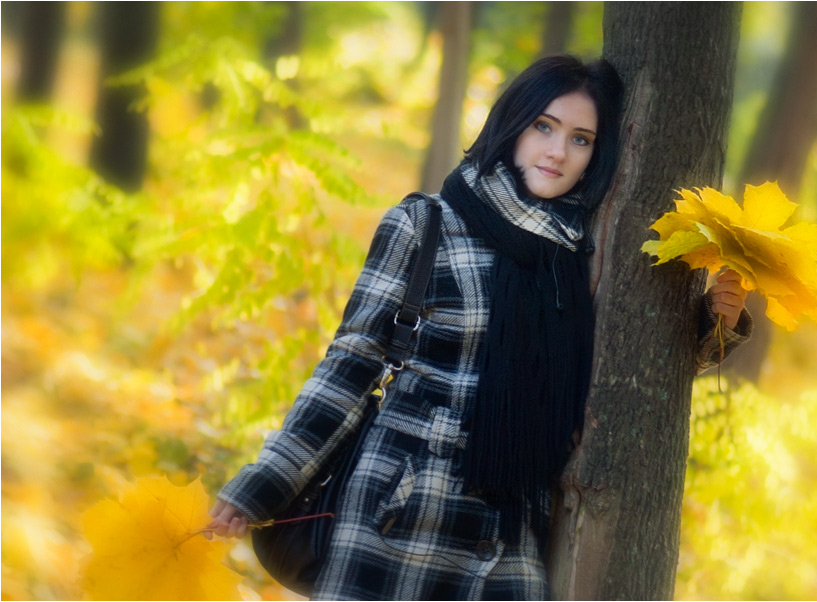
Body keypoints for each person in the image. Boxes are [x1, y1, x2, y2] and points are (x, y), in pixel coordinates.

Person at [208, 55, 751, 600]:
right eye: (544, 126)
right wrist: (263, 485)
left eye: (581, 139)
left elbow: (622, 378)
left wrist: (717, 325)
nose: (558, 152)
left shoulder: (585, 259)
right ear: (512, 124)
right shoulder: (426, 224)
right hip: (400, 512)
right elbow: (350, 364)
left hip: (510, 532)